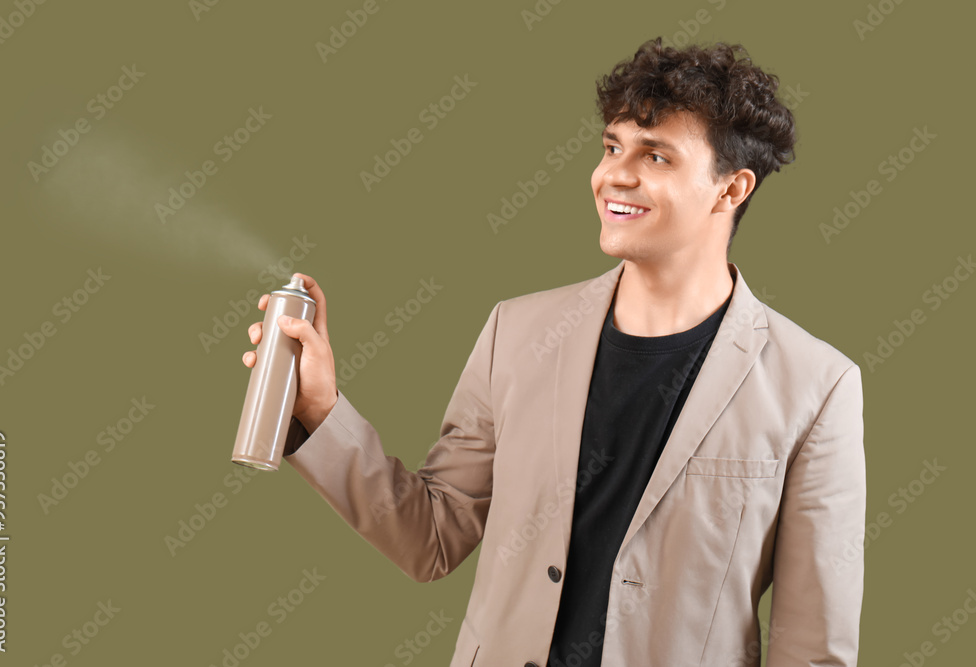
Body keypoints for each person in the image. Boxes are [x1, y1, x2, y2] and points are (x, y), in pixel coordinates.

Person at [241, 36, 866, 667]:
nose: (616, 174)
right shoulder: (515, 332)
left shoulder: (817, 385)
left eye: (656, 156)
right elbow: (429, 537)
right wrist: (322, 411)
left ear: (731, 190)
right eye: (613, 147)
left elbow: (813, 648)